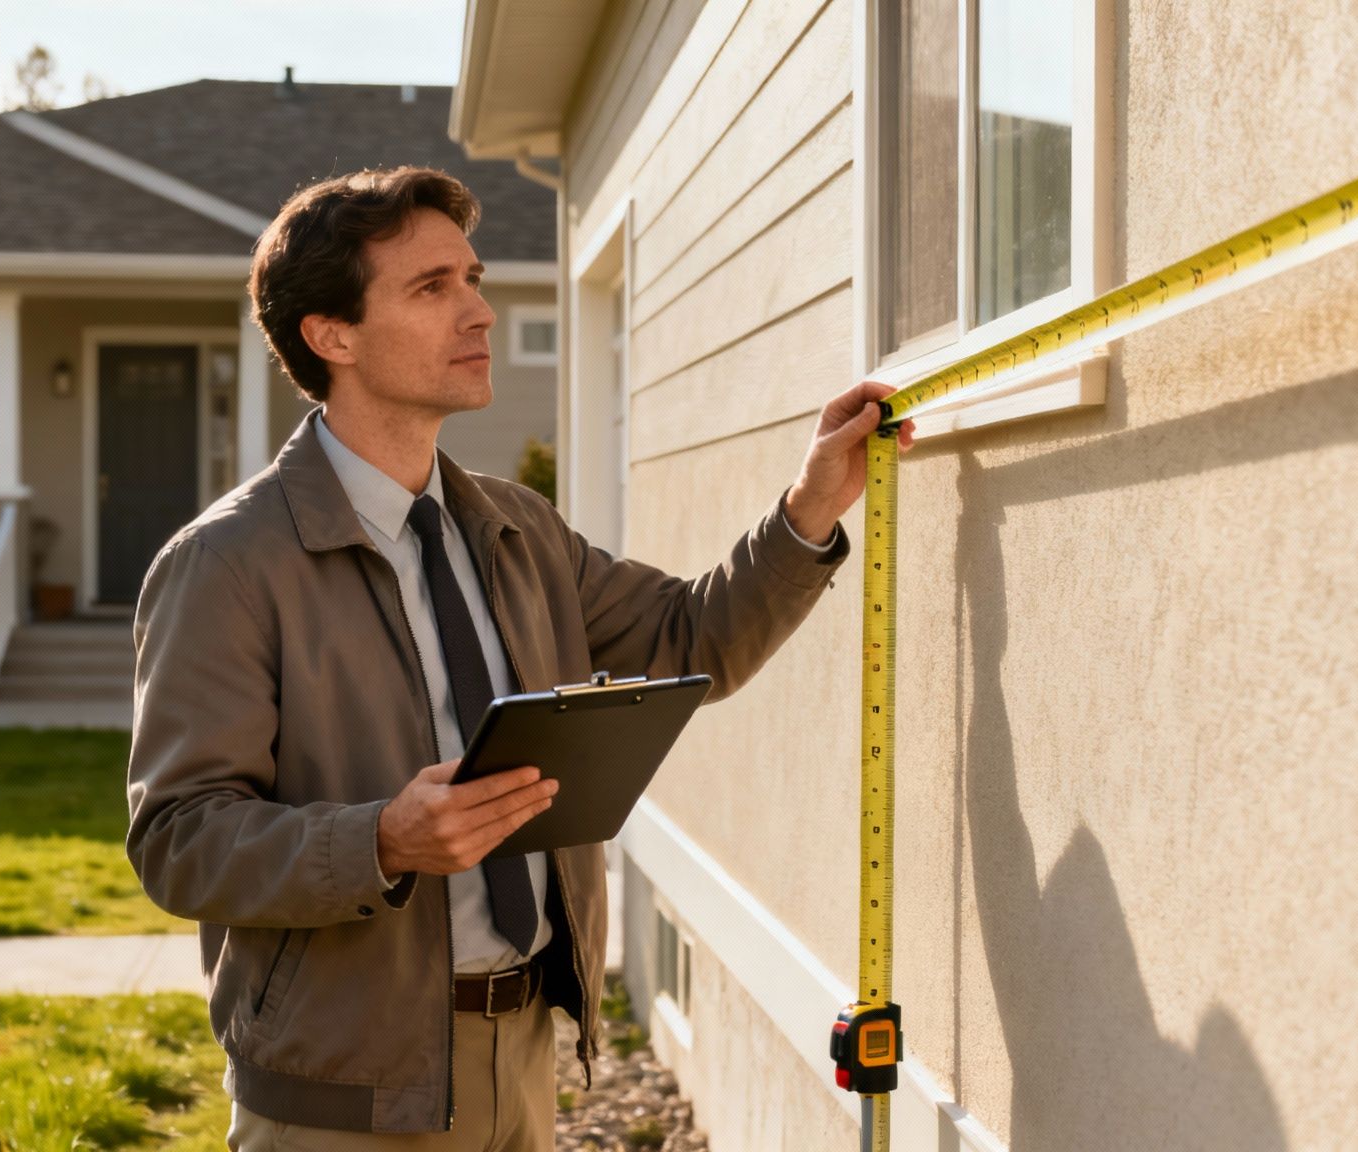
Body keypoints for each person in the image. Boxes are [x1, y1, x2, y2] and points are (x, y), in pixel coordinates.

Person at [125, 164, 913, 1151]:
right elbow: (179, 839)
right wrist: (380, 841)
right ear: (331, 337)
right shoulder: (227, 563)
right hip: (342, 1098)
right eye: (431, 288)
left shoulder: (515, 528)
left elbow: (691, 638)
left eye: (471, 277)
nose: (481, 311)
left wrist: (809, 507)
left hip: (523, 1059)